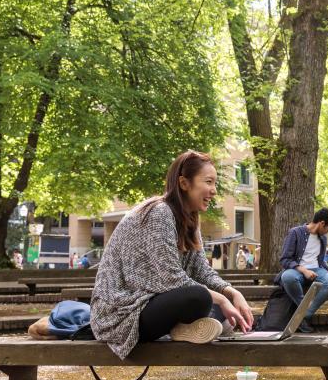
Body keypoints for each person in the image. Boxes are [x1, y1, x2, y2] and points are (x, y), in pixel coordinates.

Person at [91, 150, 254, 360]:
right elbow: (171, 278)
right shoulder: (159, 212)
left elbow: (201, 271)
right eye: (208, 182)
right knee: (200, 297)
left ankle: (183, 329)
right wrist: (222, 300)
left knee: (220, 305)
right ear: (184, 183)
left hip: (152, 304)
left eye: (215, 184)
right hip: (122, 314)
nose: (213, 191)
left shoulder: (190, 220)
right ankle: (184, 327)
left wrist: (233, 293)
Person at [275, 207, 328, 333]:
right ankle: (303, 316)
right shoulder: (295, 233)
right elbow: (285, 259)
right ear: (322, 223)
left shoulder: (322, 239)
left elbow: (321, 261)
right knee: (287, 277)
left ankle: (304, 315)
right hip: (296, 270)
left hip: (317, 269)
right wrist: (304, 270)